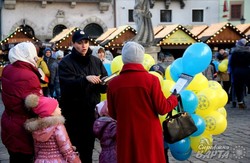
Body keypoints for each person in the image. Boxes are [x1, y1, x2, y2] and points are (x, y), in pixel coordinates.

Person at [107, 41, 178, 163]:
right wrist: (174, 98)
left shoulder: (113, 83)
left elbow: (113, 113)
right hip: (149, 133)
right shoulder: (152, 80)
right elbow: (162, 108)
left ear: (124, 59)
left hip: (126, 132)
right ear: (141, 59)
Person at [58, 29, 108, 162]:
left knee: (88, 150)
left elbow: (103, 85)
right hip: (73, 114)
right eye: (80, 43)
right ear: (73, 43)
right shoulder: (65, 63)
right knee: (74, 149)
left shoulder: (96, 61)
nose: (84, 45)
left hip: (91, 112)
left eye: (86, 42)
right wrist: (85, 79)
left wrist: (104, 83)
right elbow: (66, 85)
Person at [1, 42, 43, 163]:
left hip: (9, 122)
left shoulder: (8, 69)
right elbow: (36, 104)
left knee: (14, 157)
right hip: (24, 127)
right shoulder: (28, 75)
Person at [24, 94, 81, 163]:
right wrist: (76, 161)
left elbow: (37, 150)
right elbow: (66, 149)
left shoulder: (35, 129)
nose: (60, 109)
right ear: (50, 112)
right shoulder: (58, 127)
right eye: (57, 107)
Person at [229, 38, 250, 109]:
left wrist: (232, 71)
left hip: (237, 71)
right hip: (247, 70)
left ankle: (240, 102)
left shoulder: (234, 53)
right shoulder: (248, 52)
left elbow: (231, 63)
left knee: (238, 87)